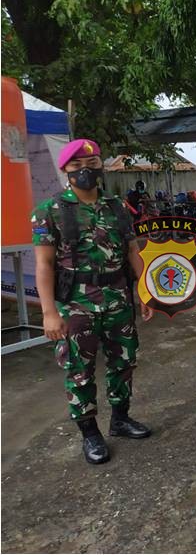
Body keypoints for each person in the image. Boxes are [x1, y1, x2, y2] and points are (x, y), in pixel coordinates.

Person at [30, 139, 154, 465]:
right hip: (76, 303)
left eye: (93, 163)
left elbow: (132, 253)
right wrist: (49, 312)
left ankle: (121, 419)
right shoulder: (49, 212)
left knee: (124, 362)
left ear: (101, 166)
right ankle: (90, 433)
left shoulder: (117, 207)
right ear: (66, 170)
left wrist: (144, 291)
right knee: (80, 370)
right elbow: (43, 265)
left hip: (118, 297)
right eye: (78, 166)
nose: (86, 171)